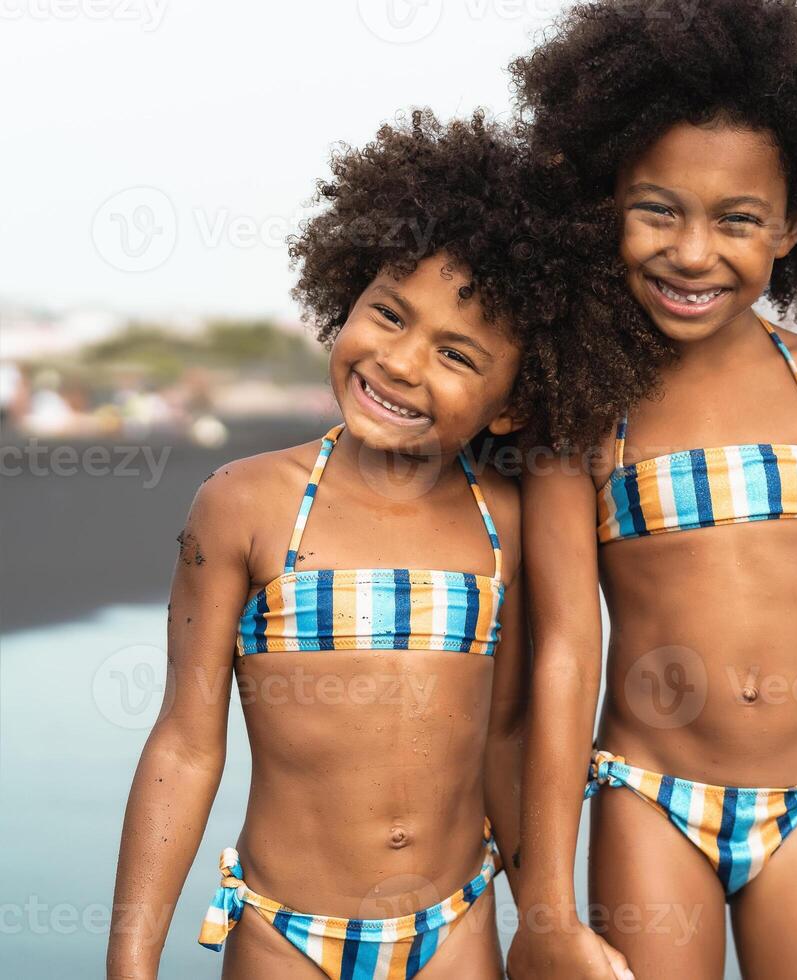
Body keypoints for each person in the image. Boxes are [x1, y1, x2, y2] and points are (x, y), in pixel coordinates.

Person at [106, 109, 653, 980]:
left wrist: (551, 924)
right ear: (347, 295)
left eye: (457, 355)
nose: (400, 363)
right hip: (284, 935)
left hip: (456, 928)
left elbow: (508, 736)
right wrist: (130, 962)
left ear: (512, 404)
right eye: (389, 315)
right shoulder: (244, 504)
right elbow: (184, 743)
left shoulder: (500, 523)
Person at [507, 3, 797, 978]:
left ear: (795, 227)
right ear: (604, 203)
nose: (693, 251)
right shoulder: (579, 407)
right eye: (657, 208)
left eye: (739, 219)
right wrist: (546, 905)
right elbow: (562, 651)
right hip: (648, 794)